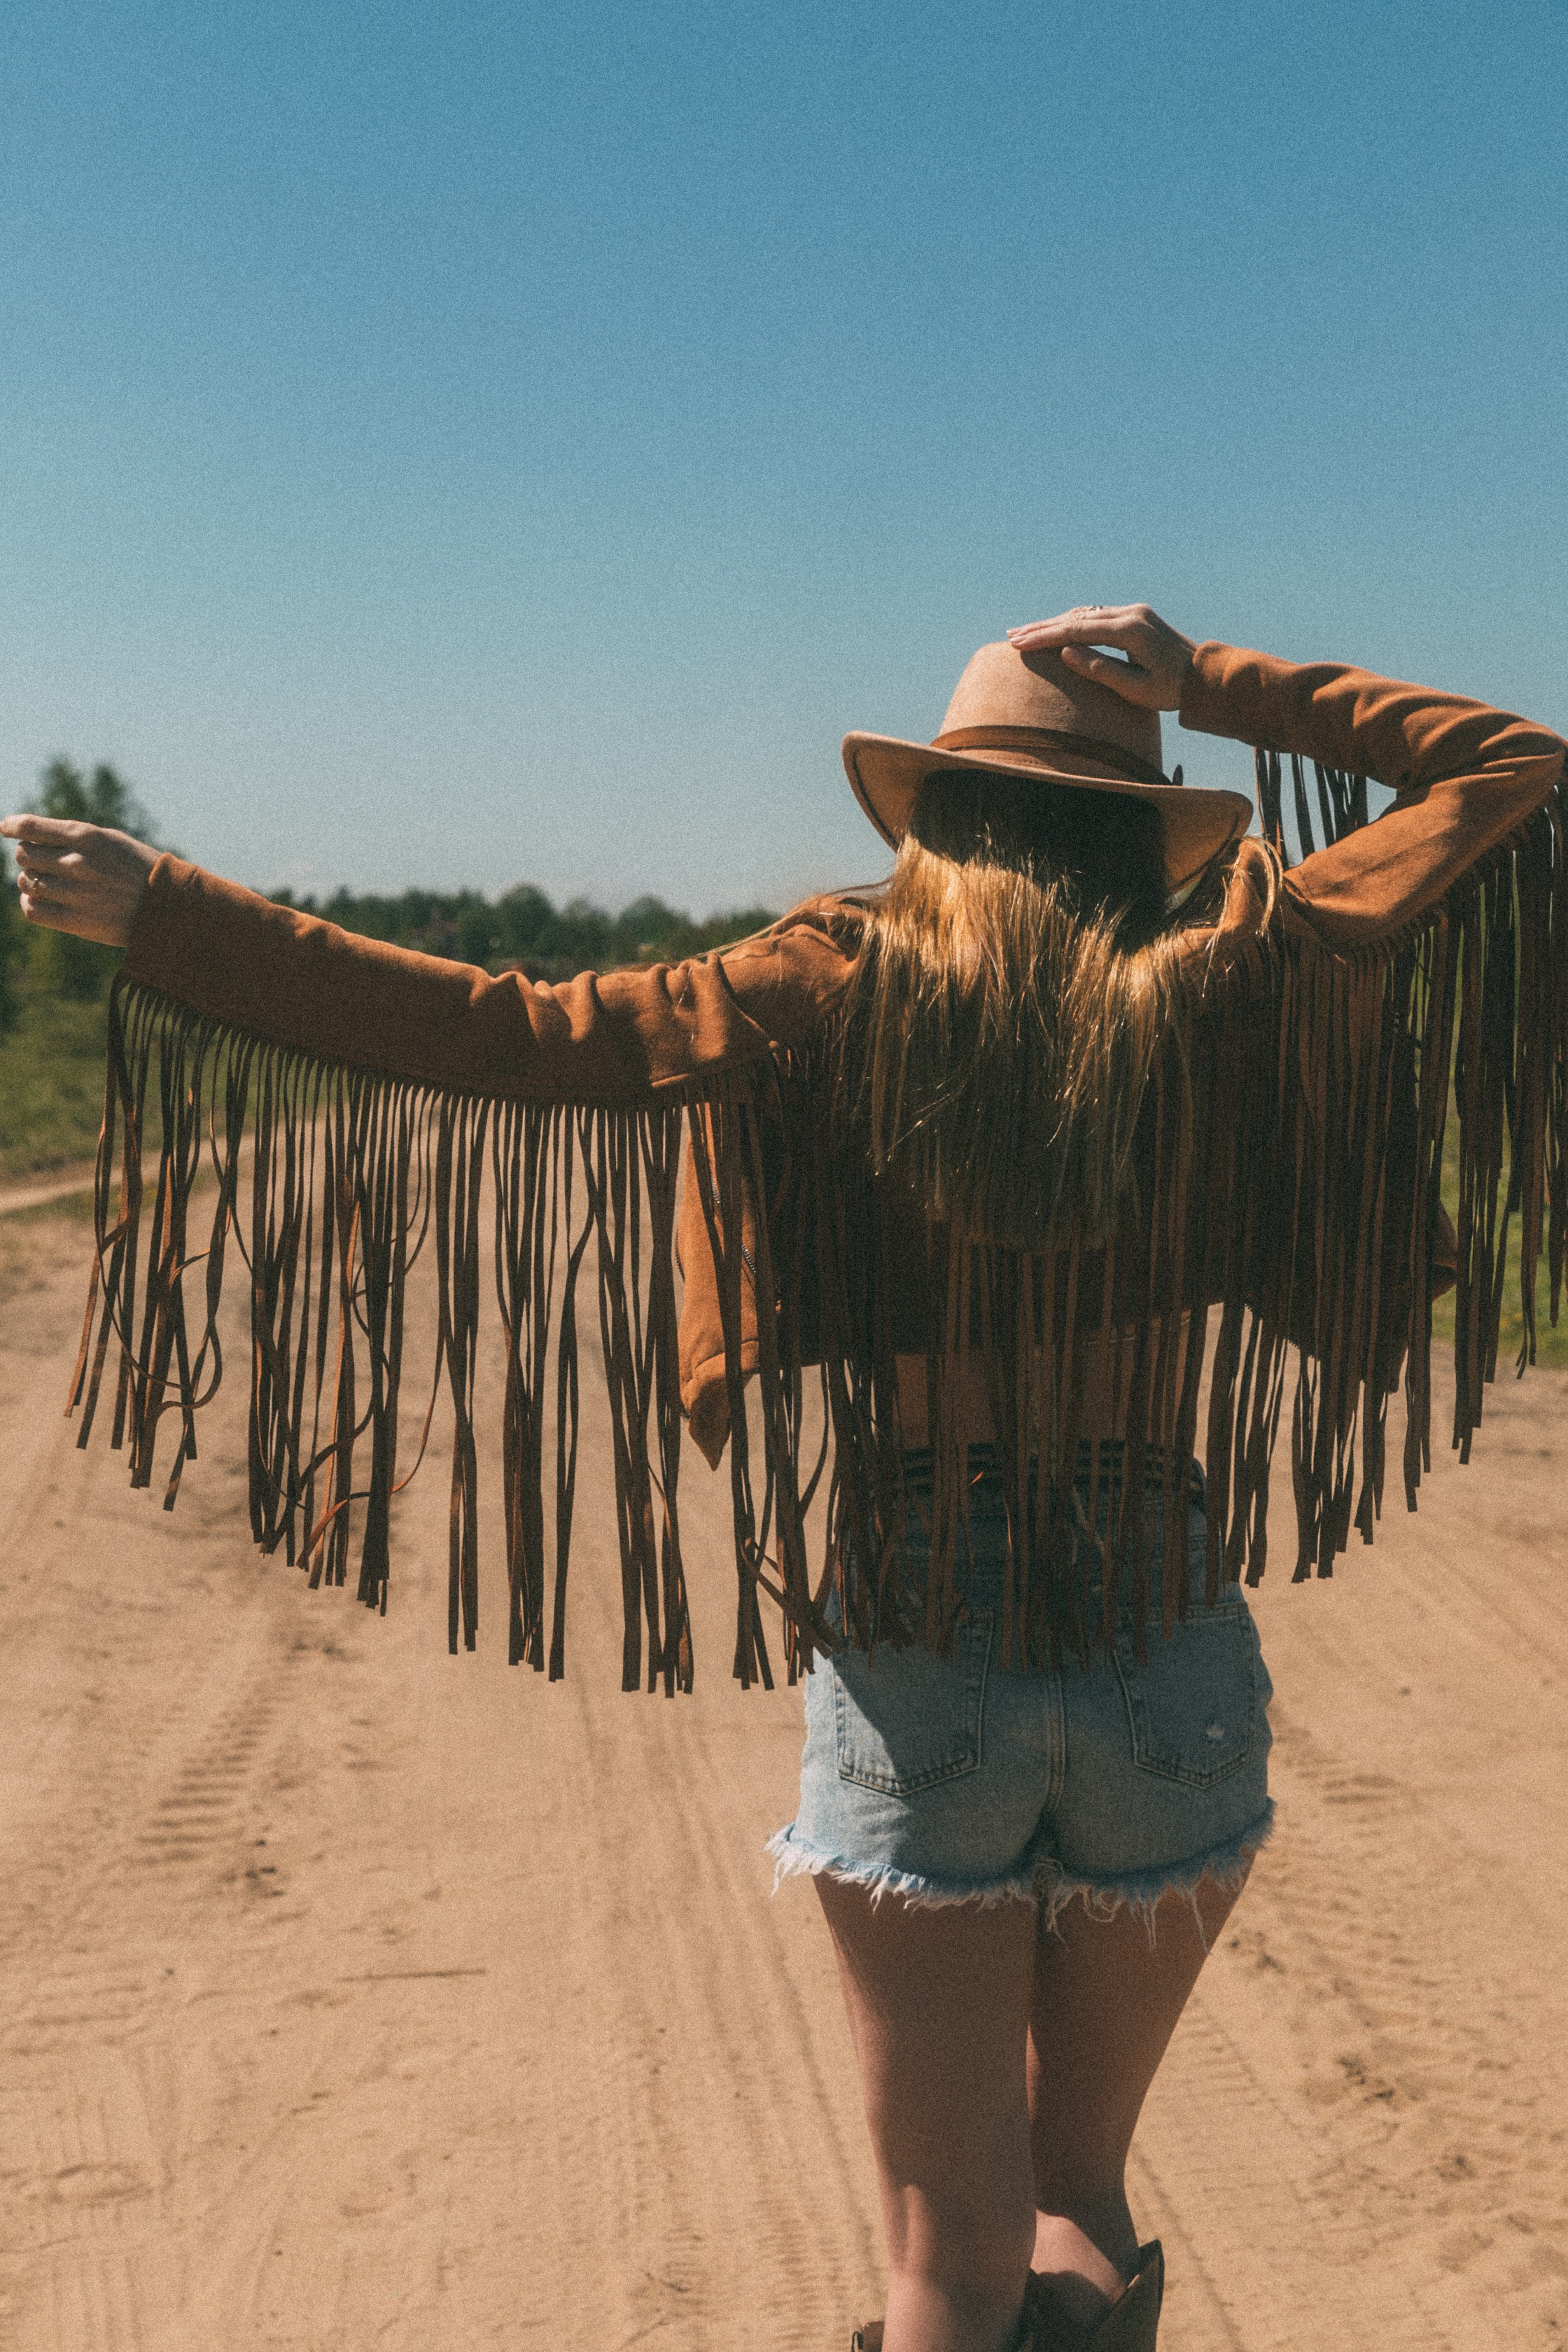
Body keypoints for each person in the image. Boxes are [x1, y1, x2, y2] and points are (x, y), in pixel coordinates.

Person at [6, 603, 1564, 2352]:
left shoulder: (825, 981)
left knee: (943, 2267)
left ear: (933, 816)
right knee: (1074, 2198)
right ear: (1141, 821)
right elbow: (1516, 767)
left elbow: (516, 1030)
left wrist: (179, 920)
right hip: (1165, 1631)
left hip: (921, 1629)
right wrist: (1214, 681)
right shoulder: (1237, 972)